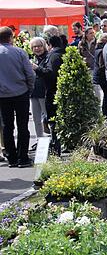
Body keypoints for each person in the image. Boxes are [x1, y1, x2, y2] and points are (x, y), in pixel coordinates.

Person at [0, 26, 35, 167]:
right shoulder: (19, 52)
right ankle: (22, 157)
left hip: (2, 95)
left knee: (7, 126)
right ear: (11, 37)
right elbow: (30, 73)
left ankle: (12, 158)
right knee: (22, 125)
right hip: (20, 92)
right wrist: (30, 88)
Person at [28, 37, 49, 139]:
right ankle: (39, 139)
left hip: (44, 92)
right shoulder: (33, 59)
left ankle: (54, 141)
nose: (37, 48)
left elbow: (48, 73)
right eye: (34, 46)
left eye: (39, 46)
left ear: (44, 46)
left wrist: (36, 68)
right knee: (36, 119)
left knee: (48, 117)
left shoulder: (48, 57)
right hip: (34, 92)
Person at [43, 35, 65, 126]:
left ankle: (55, 138)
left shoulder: (53, 56)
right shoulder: (63, 53)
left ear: (50, 45)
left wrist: (37, 69)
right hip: (60, 89)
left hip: (53, 91)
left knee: (54, 119)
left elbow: (51, 74)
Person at [93, 33, 107, 117]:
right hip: (102, 75)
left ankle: (105, 113)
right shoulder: (102, 50)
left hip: (99, 75)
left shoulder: (97, 48)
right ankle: (106, 113)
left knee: (106, 93)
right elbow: (101, 64)